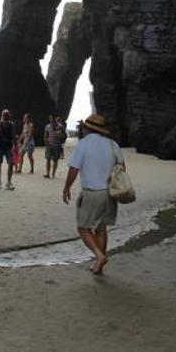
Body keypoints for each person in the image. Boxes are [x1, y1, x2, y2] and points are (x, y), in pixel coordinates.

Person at [61, 113, 122, 275]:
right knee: (101, 229)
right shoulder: (112, 144)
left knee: (83, 228)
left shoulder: (83, 144)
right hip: (110, 193)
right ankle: (99, 266)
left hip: (91, 193)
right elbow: (121, 169)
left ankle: (99, 256)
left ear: (87, 128)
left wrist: (66, 188)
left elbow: (74, 169)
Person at [0, 109, 16, 190]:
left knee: (11, 163)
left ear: (9, 116)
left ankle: (9, 182)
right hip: (0, 147)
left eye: (7, 115)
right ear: (2, 116)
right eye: (4, 115)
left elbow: (13, 136)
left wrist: (15, 146)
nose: (5, 116)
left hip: (8, 147)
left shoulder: (12, 125)